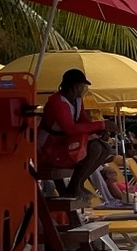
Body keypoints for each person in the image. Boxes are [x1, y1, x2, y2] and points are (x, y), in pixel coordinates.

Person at [40, 70, 109, 202]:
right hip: (49, 147)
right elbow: (70, 128)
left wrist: (99, 131)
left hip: (65, 143)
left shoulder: (77, 100)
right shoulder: (57, 102)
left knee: (105, 149)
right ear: (75, 87)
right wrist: (101, 125)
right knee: (94, 149)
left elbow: (82, 121)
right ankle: (73, 186)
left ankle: (77, 183)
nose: (84, 90)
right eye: (83, 87)